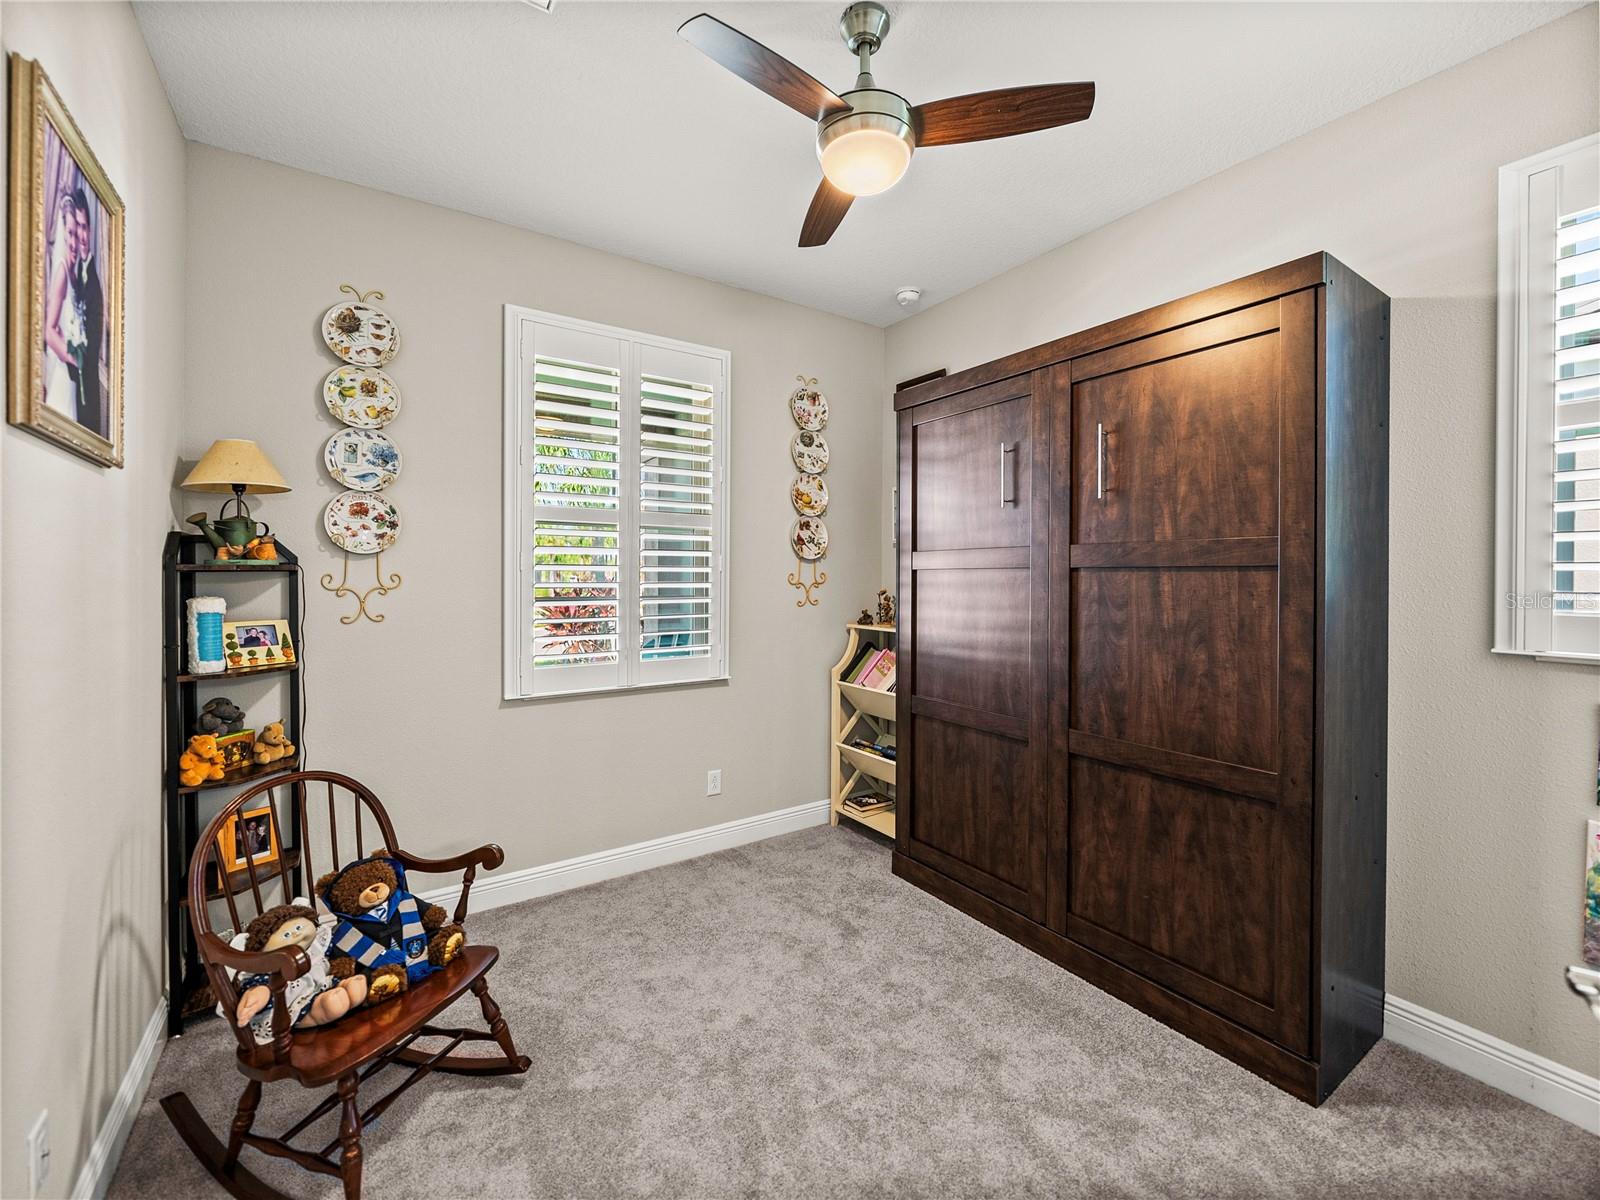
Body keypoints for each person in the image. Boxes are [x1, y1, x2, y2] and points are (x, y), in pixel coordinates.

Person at [66, 190, 105, 436]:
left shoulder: (94, 285)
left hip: (87, 391)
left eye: (83, 227)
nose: (80, 235)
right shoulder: (76, 272)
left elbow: (90, 357)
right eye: (76, 227)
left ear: (90, 230)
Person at [41, 196, 81, 420]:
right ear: (64, 234)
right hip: (64, 377)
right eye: (70, 234)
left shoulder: (75, 275)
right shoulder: (62, 274)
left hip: (73, 380)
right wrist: (73, 358)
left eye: (77, 234)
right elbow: (49, 330)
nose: (74, 242)